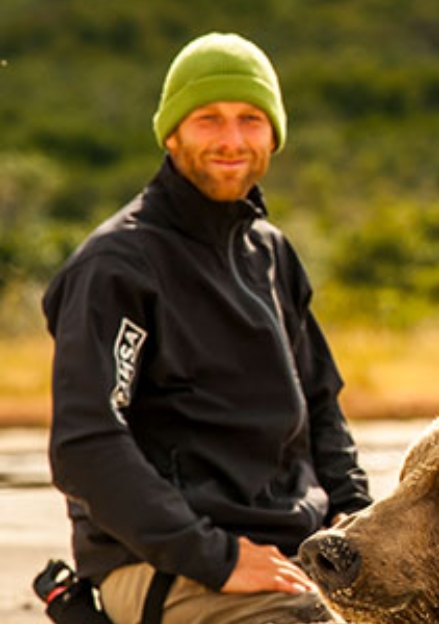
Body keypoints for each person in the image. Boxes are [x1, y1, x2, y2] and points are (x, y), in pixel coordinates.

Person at [41, 32, 372, 624]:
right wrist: (217, 558)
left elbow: (322, 409)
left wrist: (356, 519)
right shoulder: (117, 266)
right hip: (164, 562)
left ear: (273, 134)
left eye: (250, 119)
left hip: (291, 553)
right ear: (171, 133)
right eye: (208, 119)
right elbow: (85, 444)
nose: (231, 140)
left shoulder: (272, 254)